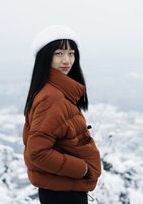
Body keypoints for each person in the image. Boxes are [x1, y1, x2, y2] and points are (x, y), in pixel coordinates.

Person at [23, 25, 102, 204]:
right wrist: (82, 169)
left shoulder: (58, 92)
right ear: (45, 57)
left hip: (63, 189)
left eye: (71, 53)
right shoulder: (52, 98)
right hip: (63, 194)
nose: (67, 60)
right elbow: (38, 153)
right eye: (59, 53)